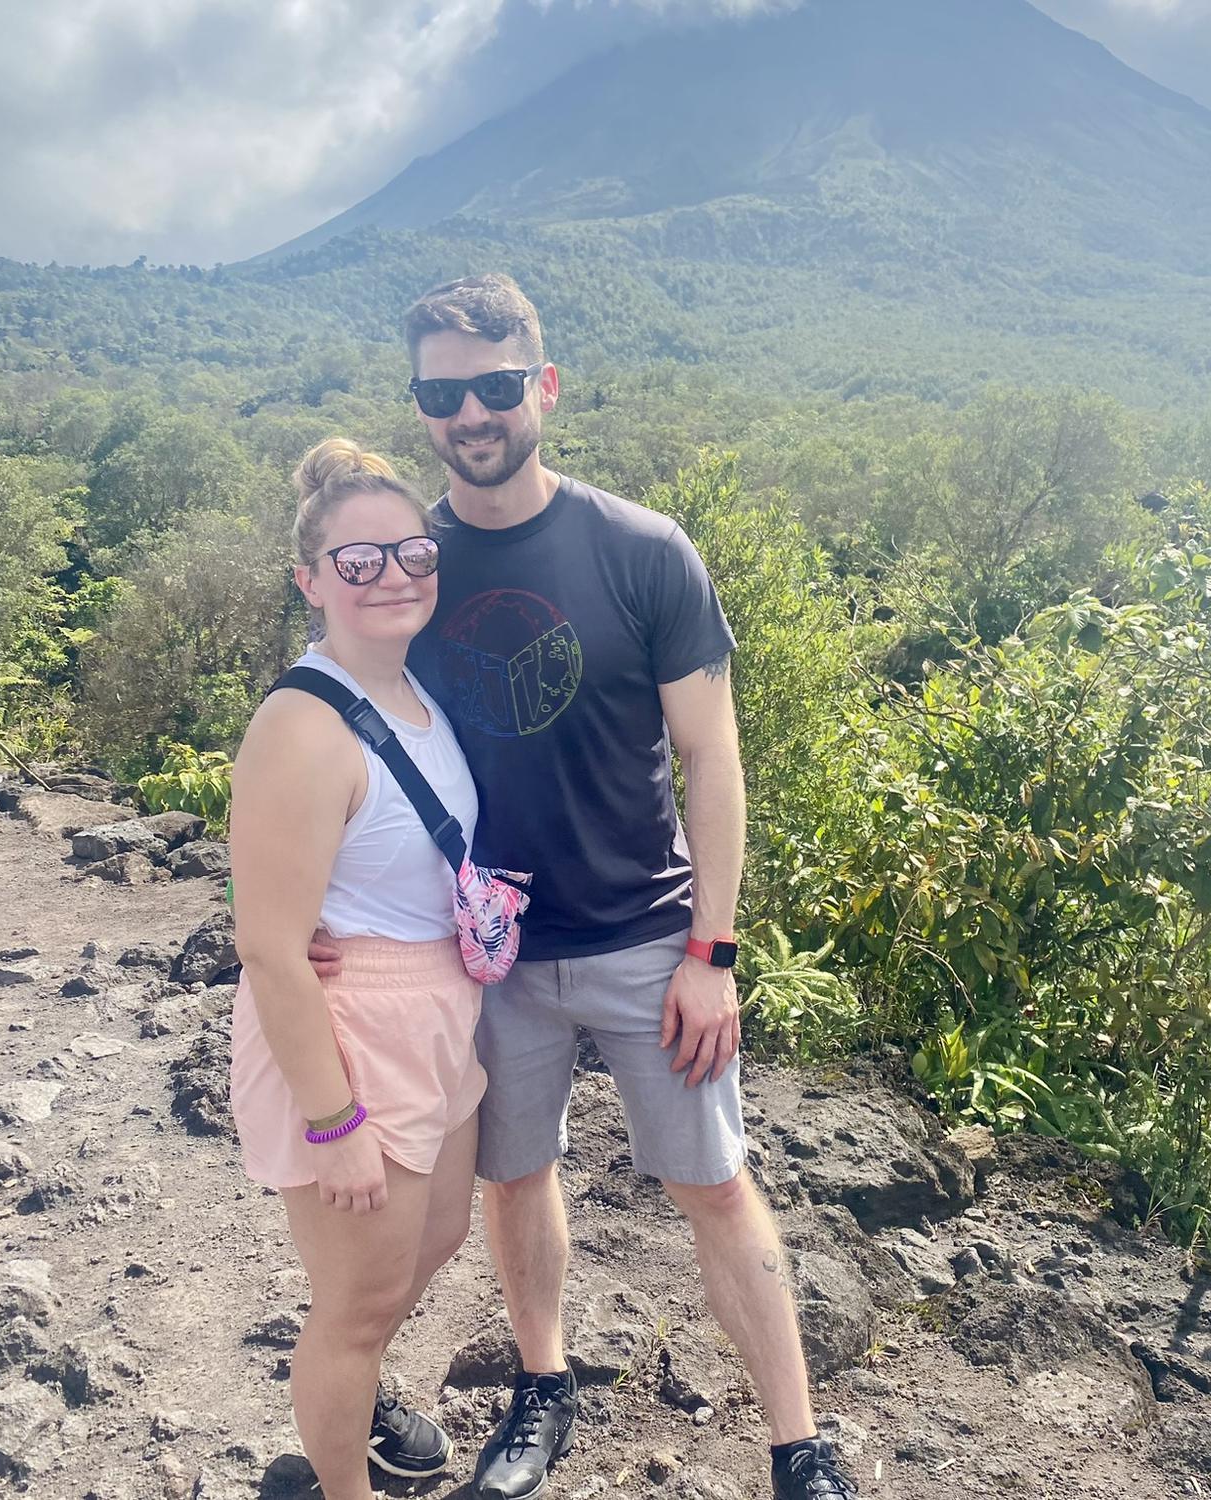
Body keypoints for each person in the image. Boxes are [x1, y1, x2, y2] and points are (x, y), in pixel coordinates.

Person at [313, 274, 863, 1499]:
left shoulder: (640, 550)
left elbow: (712, 755)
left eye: (496, 385)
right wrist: (309, 919)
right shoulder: (414, 567)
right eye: (443, 391)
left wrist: (712, 951)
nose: (472, 412)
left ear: (542, 387)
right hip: (485, 952)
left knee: (714, 1186)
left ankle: (798, 1448)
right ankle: (541, 1387)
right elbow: (336, 728)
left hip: (641, 936)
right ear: (421, 406)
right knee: (515, 1178)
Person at [229, 439, 486, 1498]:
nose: (393, 575)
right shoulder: (301, 723)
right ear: (311, 580)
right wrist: (332, 1124)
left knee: (436, 1239)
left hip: (438, 1009)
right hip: (355, 1032)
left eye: (412, 552)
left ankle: (357, 1388)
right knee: (358, 1307)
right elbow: (269, 948)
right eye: (359, 560)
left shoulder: (420, 696)